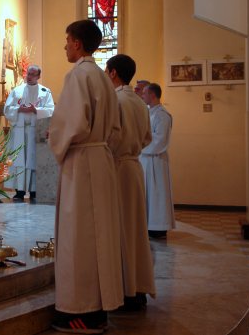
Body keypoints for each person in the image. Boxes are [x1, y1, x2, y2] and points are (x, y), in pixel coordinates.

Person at [48, 20, 123, 333]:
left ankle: (79, 312)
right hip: (101, 160)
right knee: (100, 238)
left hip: (82, 163)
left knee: (78, 240)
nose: (65, 46)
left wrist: (57, 141)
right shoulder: (104, 79)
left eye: (67, 40)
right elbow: (116, 130)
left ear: (78, 43)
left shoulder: (78, 74)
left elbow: (70, 124)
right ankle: (99, 309)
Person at [105, 54, 156, 311]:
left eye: (106, 70)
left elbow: (110, 137)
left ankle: (125, 291)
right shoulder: (138, 102)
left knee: (121, 229)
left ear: (113, 73)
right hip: (134, 167)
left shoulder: (116, 100)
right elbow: (147, 138)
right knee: (136, 230)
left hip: (117, 168)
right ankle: (138, 288)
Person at [4, 65, 54, 202]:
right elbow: (7, 108)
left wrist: (36, 110)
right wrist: (19, 110)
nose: (29, 76)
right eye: (28, 73)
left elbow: (51, 110)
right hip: (19, 130)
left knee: (33, 160)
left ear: (38, 76)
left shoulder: (45, 92)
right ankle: (19, 192)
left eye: (33, 74)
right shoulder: (17, 90)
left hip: (35, 131)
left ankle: (34, 191)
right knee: (19, 159)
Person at [140, 83, 175, 239]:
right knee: (147, 196)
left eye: (145, 93)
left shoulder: (162, 115)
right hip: (145, 160)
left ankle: (158, 228)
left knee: (157, 195)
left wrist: (139, 141)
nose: (142, 96)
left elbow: (159, 140)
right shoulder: (148, 112)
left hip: (156, 161)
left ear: (152, 95)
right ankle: (147, 225)